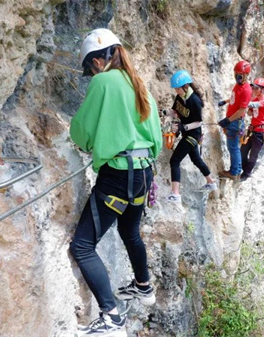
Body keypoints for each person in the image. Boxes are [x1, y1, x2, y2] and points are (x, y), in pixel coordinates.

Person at [69, 28, 162, 337]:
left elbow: (82, 130)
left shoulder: (103, 82)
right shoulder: (139, 84)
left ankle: (111, 317)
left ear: (98, 59)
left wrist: (88, 144)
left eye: (90, 66)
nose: (91, 72)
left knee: (82, 246)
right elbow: (157, 140)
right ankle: (143, 285)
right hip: (144, 173)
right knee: (129, 229)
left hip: (119, 175)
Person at [165, 70, 217, 202]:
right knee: (196, 160)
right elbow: (176, 112)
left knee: (174, 161)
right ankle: (211, 182)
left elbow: (199, 122)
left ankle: (175, 193)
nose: (176, 91)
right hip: (186, 133)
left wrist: (184, 127)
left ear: (185, 86)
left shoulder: (194, 100)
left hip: (193, 134)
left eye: (178, 88)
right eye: (175, 88)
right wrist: (165, 112)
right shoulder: (179, 97)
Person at [217, 60, 253, 181]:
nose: (237, 76)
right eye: (236, 73)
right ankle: (236, 171)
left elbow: (242, 110)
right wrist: (225, 101)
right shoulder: (239, 86)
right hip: (232, 121)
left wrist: (227, 121)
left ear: (246, 75)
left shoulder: (247, 90)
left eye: (240, 74)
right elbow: (235, 99)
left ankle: (234, 172)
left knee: (233, 148)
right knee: (233, 147)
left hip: (235, 122)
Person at [240, 78, 264, 181]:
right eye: (253, 88)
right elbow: (250, 112)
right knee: (242, 152)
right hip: (252, 130)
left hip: (260, 133)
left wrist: (243, 101)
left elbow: (254, 105)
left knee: (253, 155)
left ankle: (246, 174)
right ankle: (244, 170)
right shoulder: (255, 100)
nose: (254, 90)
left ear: (263, 90)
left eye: (256, 88)